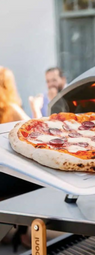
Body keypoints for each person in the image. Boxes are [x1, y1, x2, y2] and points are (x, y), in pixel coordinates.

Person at [0, 66, 40, 251]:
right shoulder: (13, 109)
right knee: (35, 178)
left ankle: (11, 230)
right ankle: (24, 232)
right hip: (8, 179)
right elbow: (37, 135)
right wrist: (35, 108)